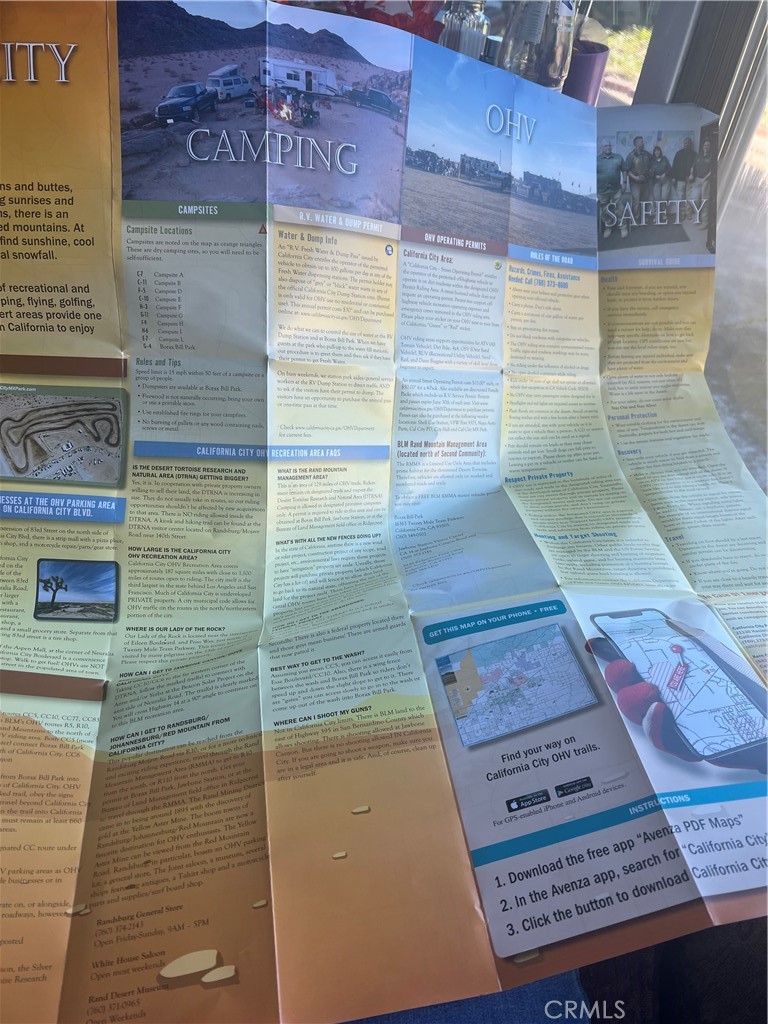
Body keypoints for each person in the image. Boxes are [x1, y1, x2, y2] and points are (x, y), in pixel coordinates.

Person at [596, 138, 627, 239]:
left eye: (609, 145)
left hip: (616, 189)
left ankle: (623, 227)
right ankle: (608, 227)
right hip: (602, 191)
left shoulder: (618, 157)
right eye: (606, 146)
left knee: (619, 209)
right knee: (604, 211)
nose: (608, 147)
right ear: (601, 148)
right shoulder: (596, 160)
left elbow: (624, 170)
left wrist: (624, 183)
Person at [624, 135, 652, 223]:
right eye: (641, 141)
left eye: (643, 141)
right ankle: (635, 219)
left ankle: (643, 217)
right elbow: (627, 170)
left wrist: (650, 173)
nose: (643, 143)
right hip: (635, 183)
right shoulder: (631, 155)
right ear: (636, 143)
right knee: (636, 201)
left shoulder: (647, 154)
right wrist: (635, 177)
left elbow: (653, 165)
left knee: (644, 201)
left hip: (645, 182)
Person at [689, 137, 713, 229]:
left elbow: (712, 171)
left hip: (706, 181)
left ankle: (705, 222)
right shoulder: (698, 156)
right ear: (703, 146)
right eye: (705, 145)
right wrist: (691, 174)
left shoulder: (711, 157)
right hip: (697, 180)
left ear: (710, 147)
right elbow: (693, 167)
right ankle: (698, 216)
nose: (706, 146)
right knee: (694, 200)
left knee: (704, 201)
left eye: (708, 145)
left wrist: (705, 179)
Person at [671, 136, 697, 217]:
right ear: (683, 144)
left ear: (690, 144)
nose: (687, 144)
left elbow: (696, 167)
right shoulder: (679, 154)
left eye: (688, 143)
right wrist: (673, 177)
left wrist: (692, 176)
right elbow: (674, 166)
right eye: (685, 143)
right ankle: (682, 213)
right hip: (680, 179)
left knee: (689, 197)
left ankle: (688, 213)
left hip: (690, 180)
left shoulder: (694, 154)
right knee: (680, 197)